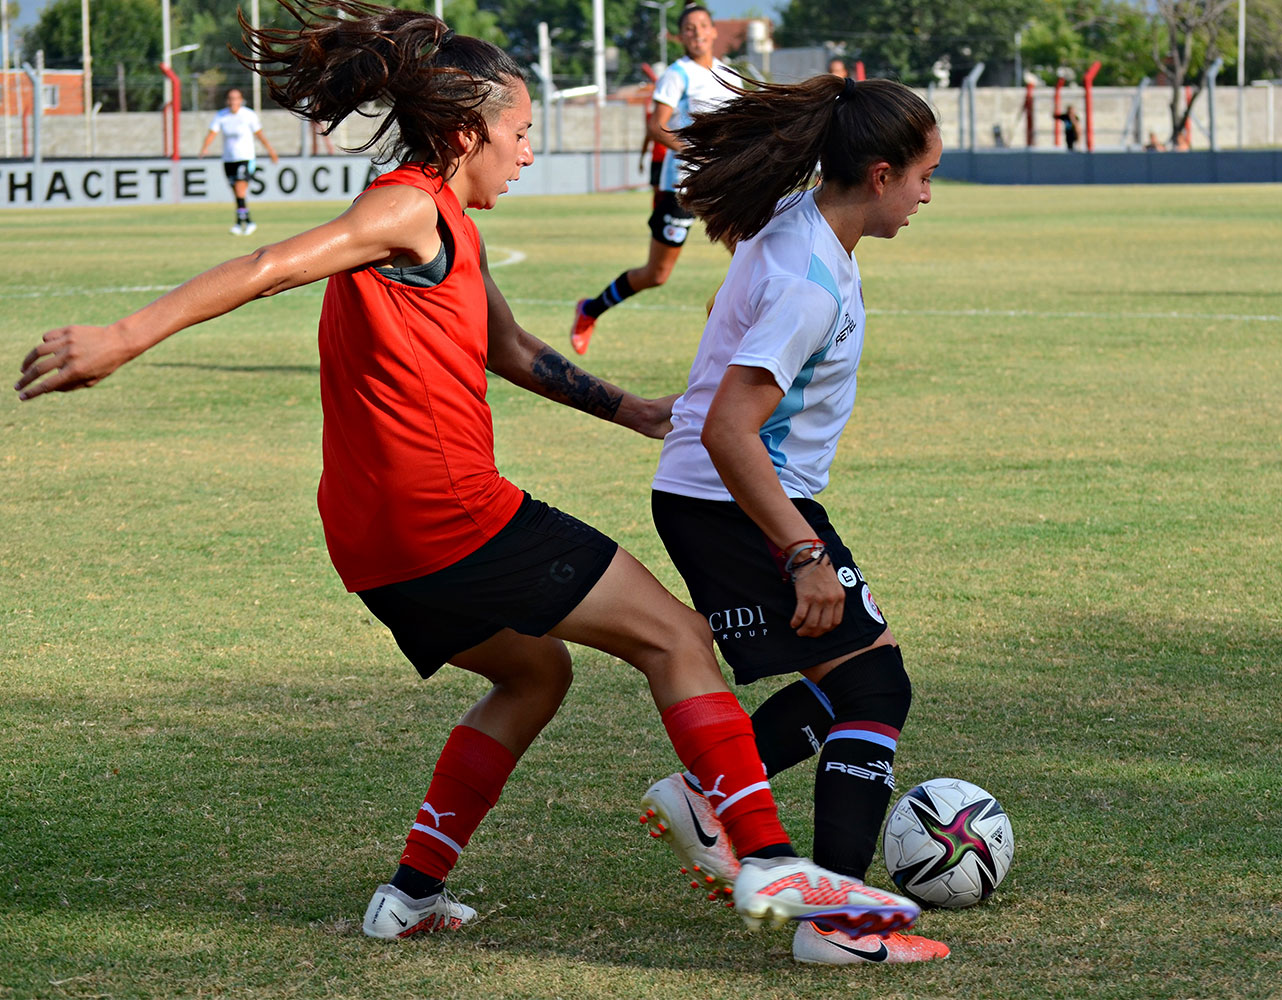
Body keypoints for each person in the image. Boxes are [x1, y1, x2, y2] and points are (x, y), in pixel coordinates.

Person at [15, 0, 919, 949]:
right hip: (452, 518)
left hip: (373, 543)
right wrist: (122, 336)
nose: (528, 152)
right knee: (679, 642)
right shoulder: (404, 206)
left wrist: (635, 410)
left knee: (533, 674)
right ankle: (773, 866)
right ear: (463, 131)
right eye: (520, 133)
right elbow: (273, 263)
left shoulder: (448, 220)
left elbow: (515, 351)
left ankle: (410, 896)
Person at [633, 74, 951, 966]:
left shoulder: (798, 218)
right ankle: (839, 926)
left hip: (727, 492)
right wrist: (803, 551)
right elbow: (735, 430)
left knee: (859, 673)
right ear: (881, 173)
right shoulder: (811, 279)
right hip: (734, 498)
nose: (930, 193)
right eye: (925, 175)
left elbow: (731, 332)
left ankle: (706, 798)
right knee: (876, 688)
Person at [570, 4, 733, 354]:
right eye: (689, 28)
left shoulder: (729, 76)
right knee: (656, 275)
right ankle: (589, 310)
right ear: (681, 36)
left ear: (714, 31)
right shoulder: (678, 74)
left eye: (703, 25)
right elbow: (656, 126)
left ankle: (728, 323)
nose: (697, 32)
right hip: (683, 187)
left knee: (748, 250)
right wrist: (694, 151)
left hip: (719, 183)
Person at [198, 86, 280, 236]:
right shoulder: (221, 116)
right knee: (237, 193)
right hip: (229, 159)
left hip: (246, 158)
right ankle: (245, 222)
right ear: (227, 101)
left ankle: (242, 223)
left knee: (240, 189)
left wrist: (271, 151)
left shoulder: (248, 115)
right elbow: (212, 133)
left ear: (241, 100)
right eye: (230, 98)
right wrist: (204, 147)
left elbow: (259, 134)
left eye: (236, 98)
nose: (233, 101)